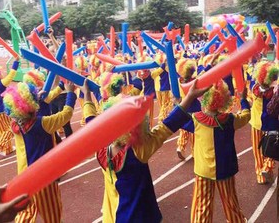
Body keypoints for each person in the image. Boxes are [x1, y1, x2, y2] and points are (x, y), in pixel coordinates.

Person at [81, 74, 208, 222]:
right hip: (139, 216)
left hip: (113, 216)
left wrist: (87, 96)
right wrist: (189, 97)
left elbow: (91, 122)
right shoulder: (138, 151)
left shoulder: (101, 147)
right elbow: (167, 126)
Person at [164, 79, 250, 222]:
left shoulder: (195, 120)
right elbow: (246, 116)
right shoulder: (229, 120)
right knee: (231, 203)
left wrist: (178, 102)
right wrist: (244, 100)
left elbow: (177, 119)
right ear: (224, 100)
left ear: (204, 99)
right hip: (225, 170)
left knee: (202, 207)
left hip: (203, 171)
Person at [2, 81, 77, 223]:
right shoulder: (43, 123)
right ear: (31, 104)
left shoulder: (15, 125)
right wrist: (71, 93)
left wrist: (37, 99)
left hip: (24, 176)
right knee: (52, 213)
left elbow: (27, 114)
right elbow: (66, 115)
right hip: (43, 178)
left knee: (26, 212)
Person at [249, 60, 278, 184]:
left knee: (257, 151)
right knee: (271, 148)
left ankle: (259, 175)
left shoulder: (254, 88)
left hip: (256, 124)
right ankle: (267, 166)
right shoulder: (274, 92)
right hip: (271, 125)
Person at [0, 57, 20, 156]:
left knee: (2, 130)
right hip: (2, 110)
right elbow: (12, 74)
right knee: (11, 127)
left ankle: (7, 149)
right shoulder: (1, 83)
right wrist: (16, 61)